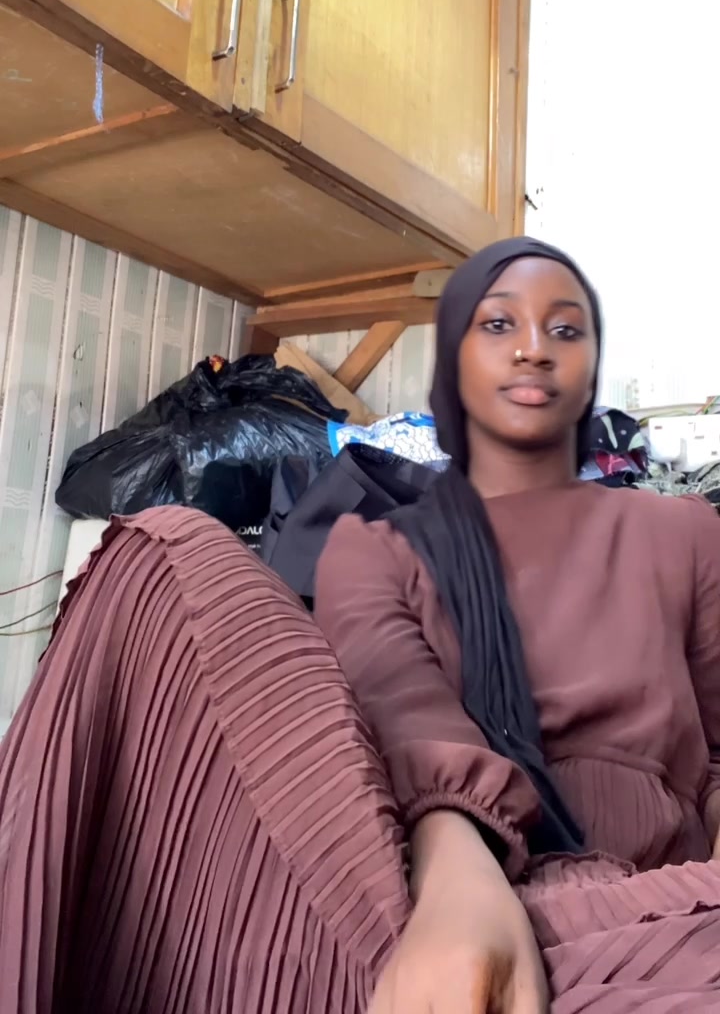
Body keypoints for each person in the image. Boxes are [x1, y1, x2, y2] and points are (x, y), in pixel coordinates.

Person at [1, 237, 719, 1013]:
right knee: (164, 548)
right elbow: (398, 699)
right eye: (498, 325)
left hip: (655, 908)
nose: (534, 349)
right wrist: (458, 880)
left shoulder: (681, 533)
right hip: (409, 895)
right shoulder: (378, 544)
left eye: (565, 329)